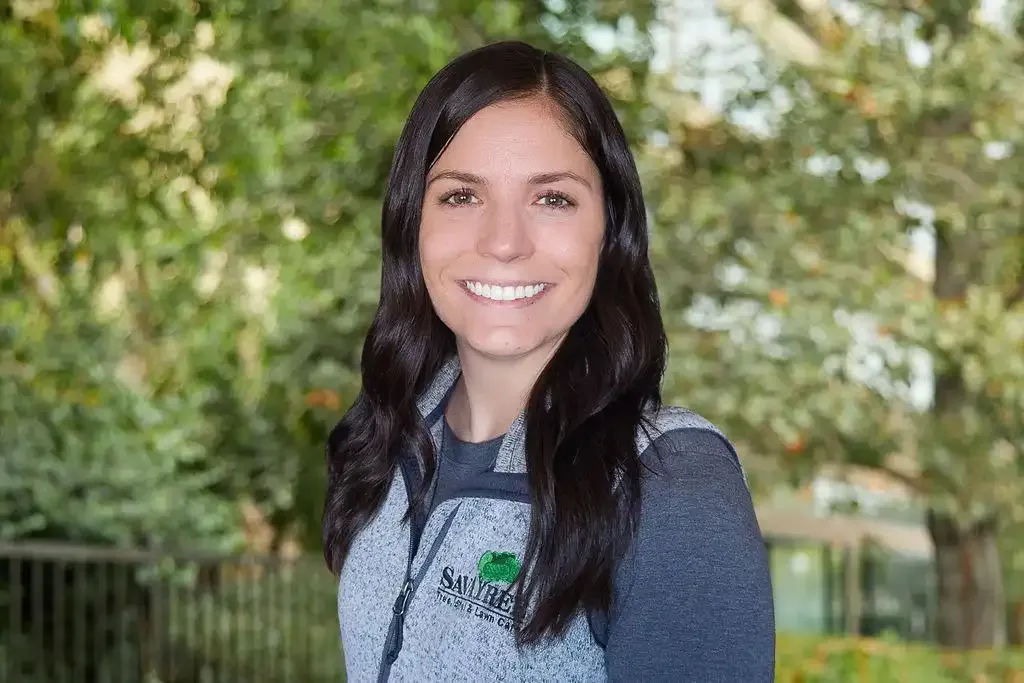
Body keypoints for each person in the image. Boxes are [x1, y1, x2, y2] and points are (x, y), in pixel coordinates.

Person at [322, 40, 775, 682]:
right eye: (460, 196)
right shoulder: (385, 445)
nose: (504, 242)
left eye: (552, 198)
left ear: (609, 228)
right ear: (411, 222)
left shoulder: (671, 485)